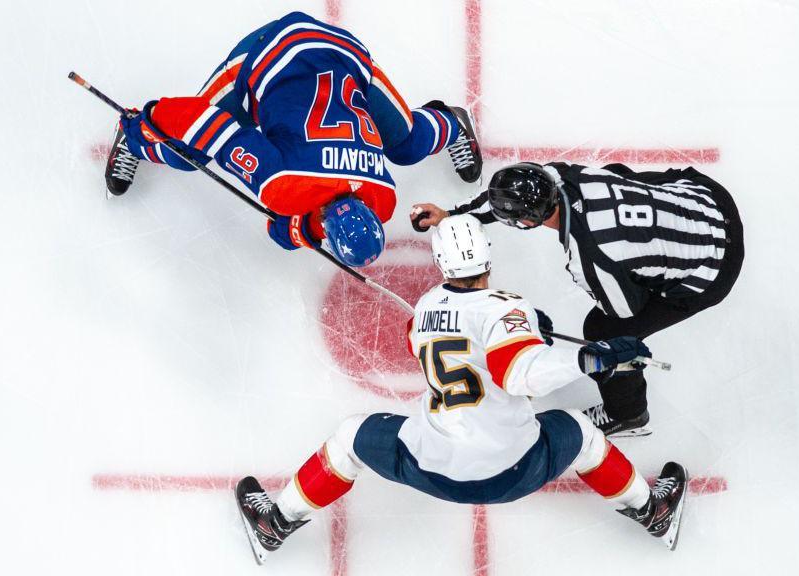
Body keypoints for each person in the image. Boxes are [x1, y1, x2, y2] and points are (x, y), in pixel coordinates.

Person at [234, 215, 689, 565]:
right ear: (487, 255)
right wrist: (592, 355)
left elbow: (426, 339)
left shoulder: (427, 306)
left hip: (432, 467)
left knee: (351, 438)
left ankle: (275, 524)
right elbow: (522, 376)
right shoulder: (506, 306)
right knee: (581, 433)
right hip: (513, 470)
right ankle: (654, 513)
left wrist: (528, 332)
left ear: (441, 262)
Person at [104, 11, 482, 268]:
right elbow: (211, 126)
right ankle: (132, 137)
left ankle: (453, 123)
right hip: (270, 51)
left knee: (407, 144)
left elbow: (310, 217)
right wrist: (147, 123)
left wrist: (302, 230)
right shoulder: (281, 185)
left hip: (345, 51)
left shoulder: (383, 198)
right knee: (187, 152)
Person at [411, 162, 744, 437]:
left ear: (526, 223)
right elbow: (510, 195)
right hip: (708, 199)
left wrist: (635, 270)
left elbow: (626, 310)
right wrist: (453, 215)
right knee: (619, 175)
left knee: (603, 330)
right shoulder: (566, 177)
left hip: (715, 269)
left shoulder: (590, 259)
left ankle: (628, 414)